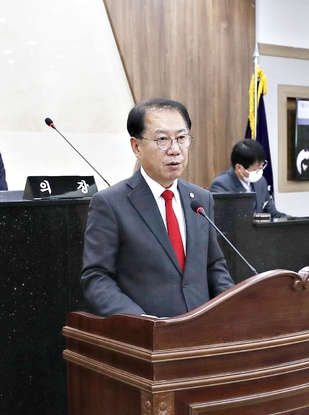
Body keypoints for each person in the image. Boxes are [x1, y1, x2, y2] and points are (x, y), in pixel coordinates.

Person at [80, 98, 234, 318]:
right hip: (148, 340)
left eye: (181, 138)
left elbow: (214, 265)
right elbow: (96, 277)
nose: (175, 150)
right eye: (162, 139)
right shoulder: (110, 203)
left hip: (203, 334)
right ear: (136, 146)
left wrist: (234, 310)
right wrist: (141, 322)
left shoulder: (201, 199)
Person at [210, 139, 289, 218]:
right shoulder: (221, 185)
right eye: (255, 169)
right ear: (239, 168)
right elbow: (224, 221)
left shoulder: (261, 181)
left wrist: (298, 222)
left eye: (261, 167)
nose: (259, 172)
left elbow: (273, 214)